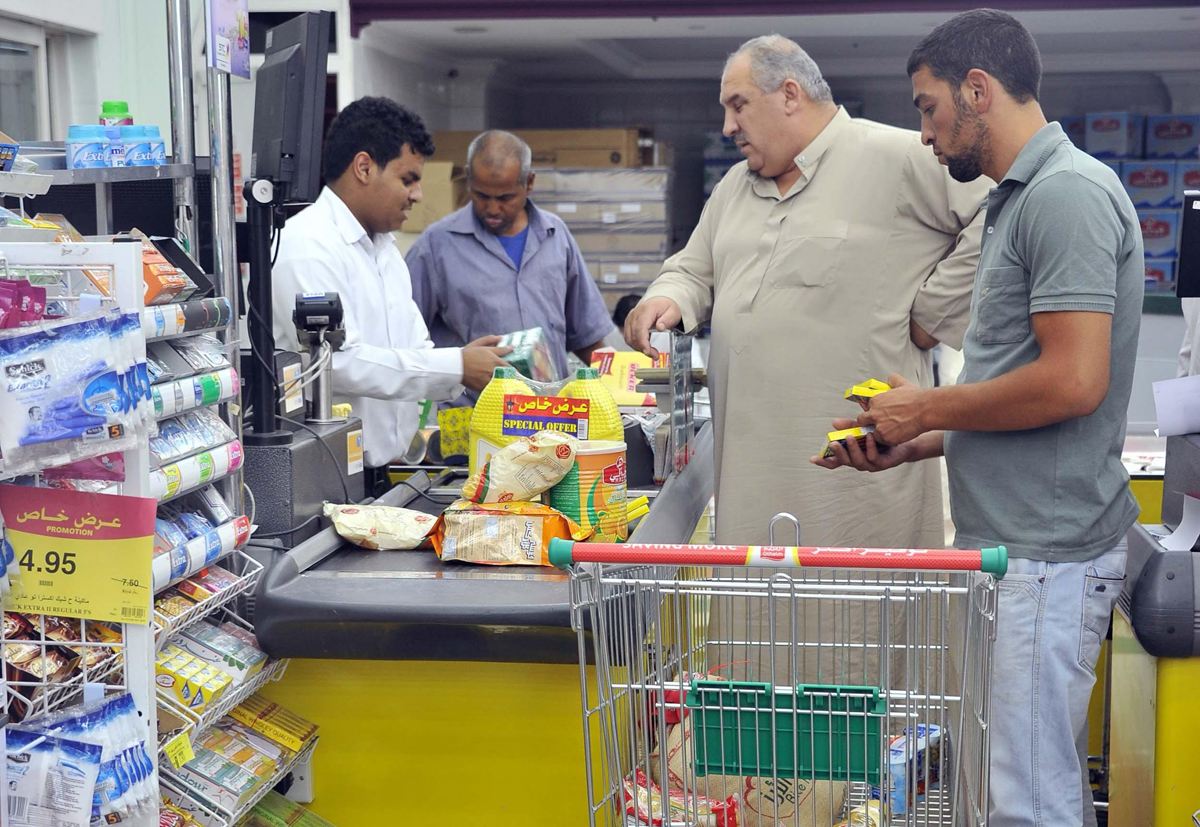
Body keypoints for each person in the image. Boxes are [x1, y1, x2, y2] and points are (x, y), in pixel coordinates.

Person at [813, 10, 1144, 827]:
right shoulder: (1015, 200)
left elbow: (1073, 381)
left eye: (927, 108)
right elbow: (1016, 386)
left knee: (1026, 801)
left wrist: (927, 401)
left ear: (977, 90)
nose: (923, 133)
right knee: (1004, 790)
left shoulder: (1064, 195)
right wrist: (917, 438)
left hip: (1047, 556)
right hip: (1017, 552)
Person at [624, 35, 990, 550]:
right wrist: (669, 297)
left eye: (738, 105)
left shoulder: (897, 156)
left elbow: (997, 212)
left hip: (857, 473)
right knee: (754, 618)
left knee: (862, 619)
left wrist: (937, 310)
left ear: (790, 94)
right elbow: (692, 267)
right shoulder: (733, 187)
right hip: (749, 479)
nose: (728, 126)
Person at [272, 97, 510, 470]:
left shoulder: (385, 251)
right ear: (364, 167)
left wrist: (464, 361)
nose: (417, 195)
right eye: (408, 180)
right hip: (329, 477)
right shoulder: (305, 248)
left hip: (392, 469)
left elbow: (415, 347)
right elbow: (335, 363)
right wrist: (456, 366)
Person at [407, 130, 614, 400]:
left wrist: (617, 389)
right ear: (468, 178)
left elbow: (587, 335)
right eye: (481, 196)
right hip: (474, 419)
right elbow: (404, 345)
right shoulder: (435, 246)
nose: (492, 209)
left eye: (505, 198)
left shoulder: (556, 236)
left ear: (528, 183)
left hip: (550, 418)